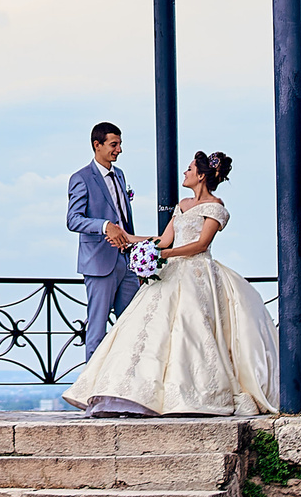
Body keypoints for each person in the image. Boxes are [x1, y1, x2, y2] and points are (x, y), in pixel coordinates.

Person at [63, 149, 276, 417]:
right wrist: (130, 240)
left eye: (189, 169)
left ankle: (193, 393)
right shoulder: (183, 205)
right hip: (173, 269)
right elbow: (163, 239)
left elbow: (200, 245)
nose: (185, 173)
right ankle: (136, 392)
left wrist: (163, 255)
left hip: (198, 274)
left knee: (193, 329)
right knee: (148, 328)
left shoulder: (216, 208)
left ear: (200, 176)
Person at [63, 123, 140, 365]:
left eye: (119, 144)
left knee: (132, 325)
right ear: (97, 145)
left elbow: (125, 219)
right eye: (114, 144)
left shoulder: (120, 175)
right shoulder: (81, 178)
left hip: (126, 261)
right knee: (96, 328)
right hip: (99, 263)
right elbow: (73, 220)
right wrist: (105, 225)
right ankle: (92, 393)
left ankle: (126, 386)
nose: (119, 150)